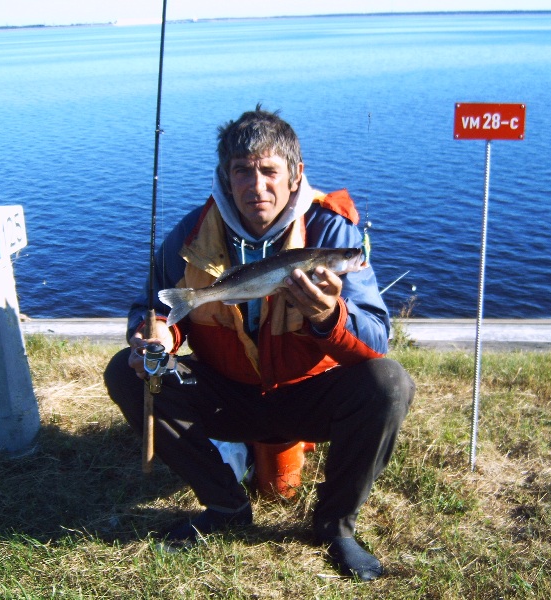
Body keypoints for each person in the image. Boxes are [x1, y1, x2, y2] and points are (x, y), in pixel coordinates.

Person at [104, 105, 414, 581]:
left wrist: (329, 316)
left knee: (389, 383)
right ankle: (224, 505)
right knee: (128, 372)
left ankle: (335, 526)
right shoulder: (190, 234)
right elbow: (153, 306)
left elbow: (376, 338)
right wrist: (156, 332)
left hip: (308, 396)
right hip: (226, 394)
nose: (257, 186)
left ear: (295, 174)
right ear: (225, 179)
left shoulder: (332, 232)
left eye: (269, 171)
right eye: (242, 172)